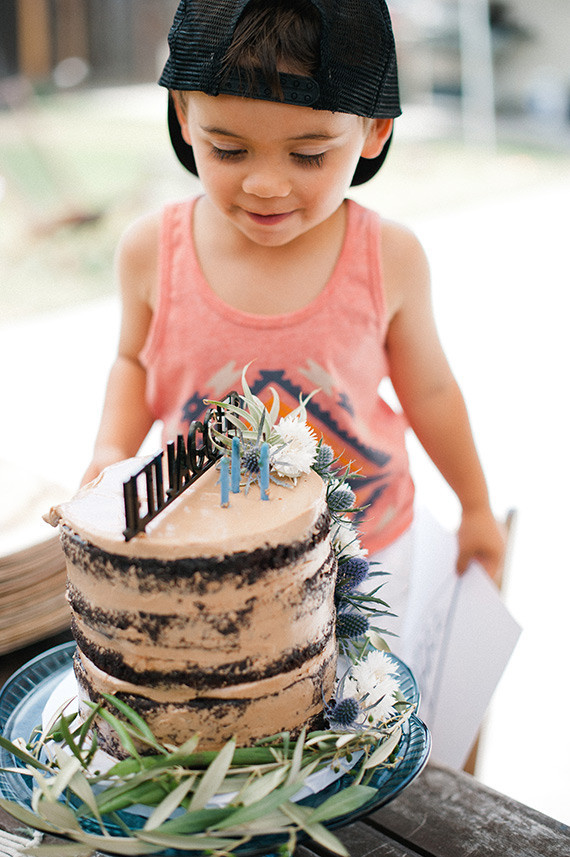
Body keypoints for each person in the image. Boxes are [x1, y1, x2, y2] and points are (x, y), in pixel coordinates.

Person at [82, 0, 505, 634]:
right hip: (206, 551)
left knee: (364, 692)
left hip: (365, 551)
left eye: (308, 156)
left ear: (373, 130)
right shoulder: (151, 251)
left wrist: (475, 505)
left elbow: (432, 391)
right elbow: (133, 363)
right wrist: (111, 449)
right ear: (184, 116)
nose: (266, 184)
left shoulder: (389, 257)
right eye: (229, 149)